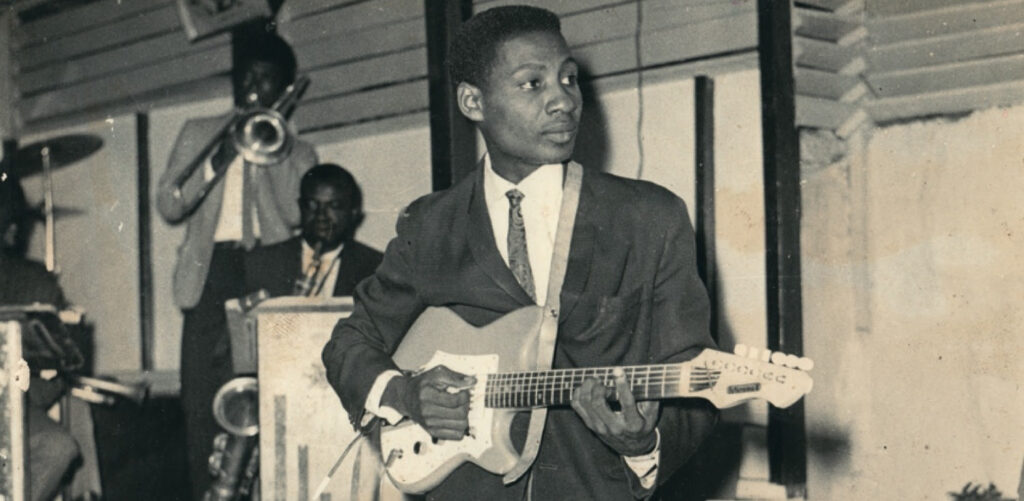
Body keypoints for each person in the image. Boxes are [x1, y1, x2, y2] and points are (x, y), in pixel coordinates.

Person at [321, 5, 718, 500]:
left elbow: (694, 372)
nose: (564, 101)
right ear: (472, 101)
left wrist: (644, 444)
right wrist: (403, 393)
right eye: (533, 84)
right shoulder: (429, 226)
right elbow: (349, 342)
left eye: (568, 79)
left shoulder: (649, 217)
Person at [155, 31, 317, 499]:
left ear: (282, 87)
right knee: (201, 401)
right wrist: (221, 156)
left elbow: (293, 215)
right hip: (210, 272)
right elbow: (170, 203)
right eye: (246, 77)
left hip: (271, 268)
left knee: (269, 398)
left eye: (265, 80)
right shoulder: (197, 132)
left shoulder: (299, 152)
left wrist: (273, 149)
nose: (253, 88)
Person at [0, 176, 80, 501]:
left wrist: (14, 384)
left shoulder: (34, 282)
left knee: (58, 447)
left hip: (11, 403)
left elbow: (54, 379)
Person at [244, 163, 383, 297]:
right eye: (311, 205)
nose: (321, 215)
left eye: (334, 205)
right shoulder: (261, 262)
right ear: (300, 207)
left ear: (353, 213)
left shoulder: (379, 269)